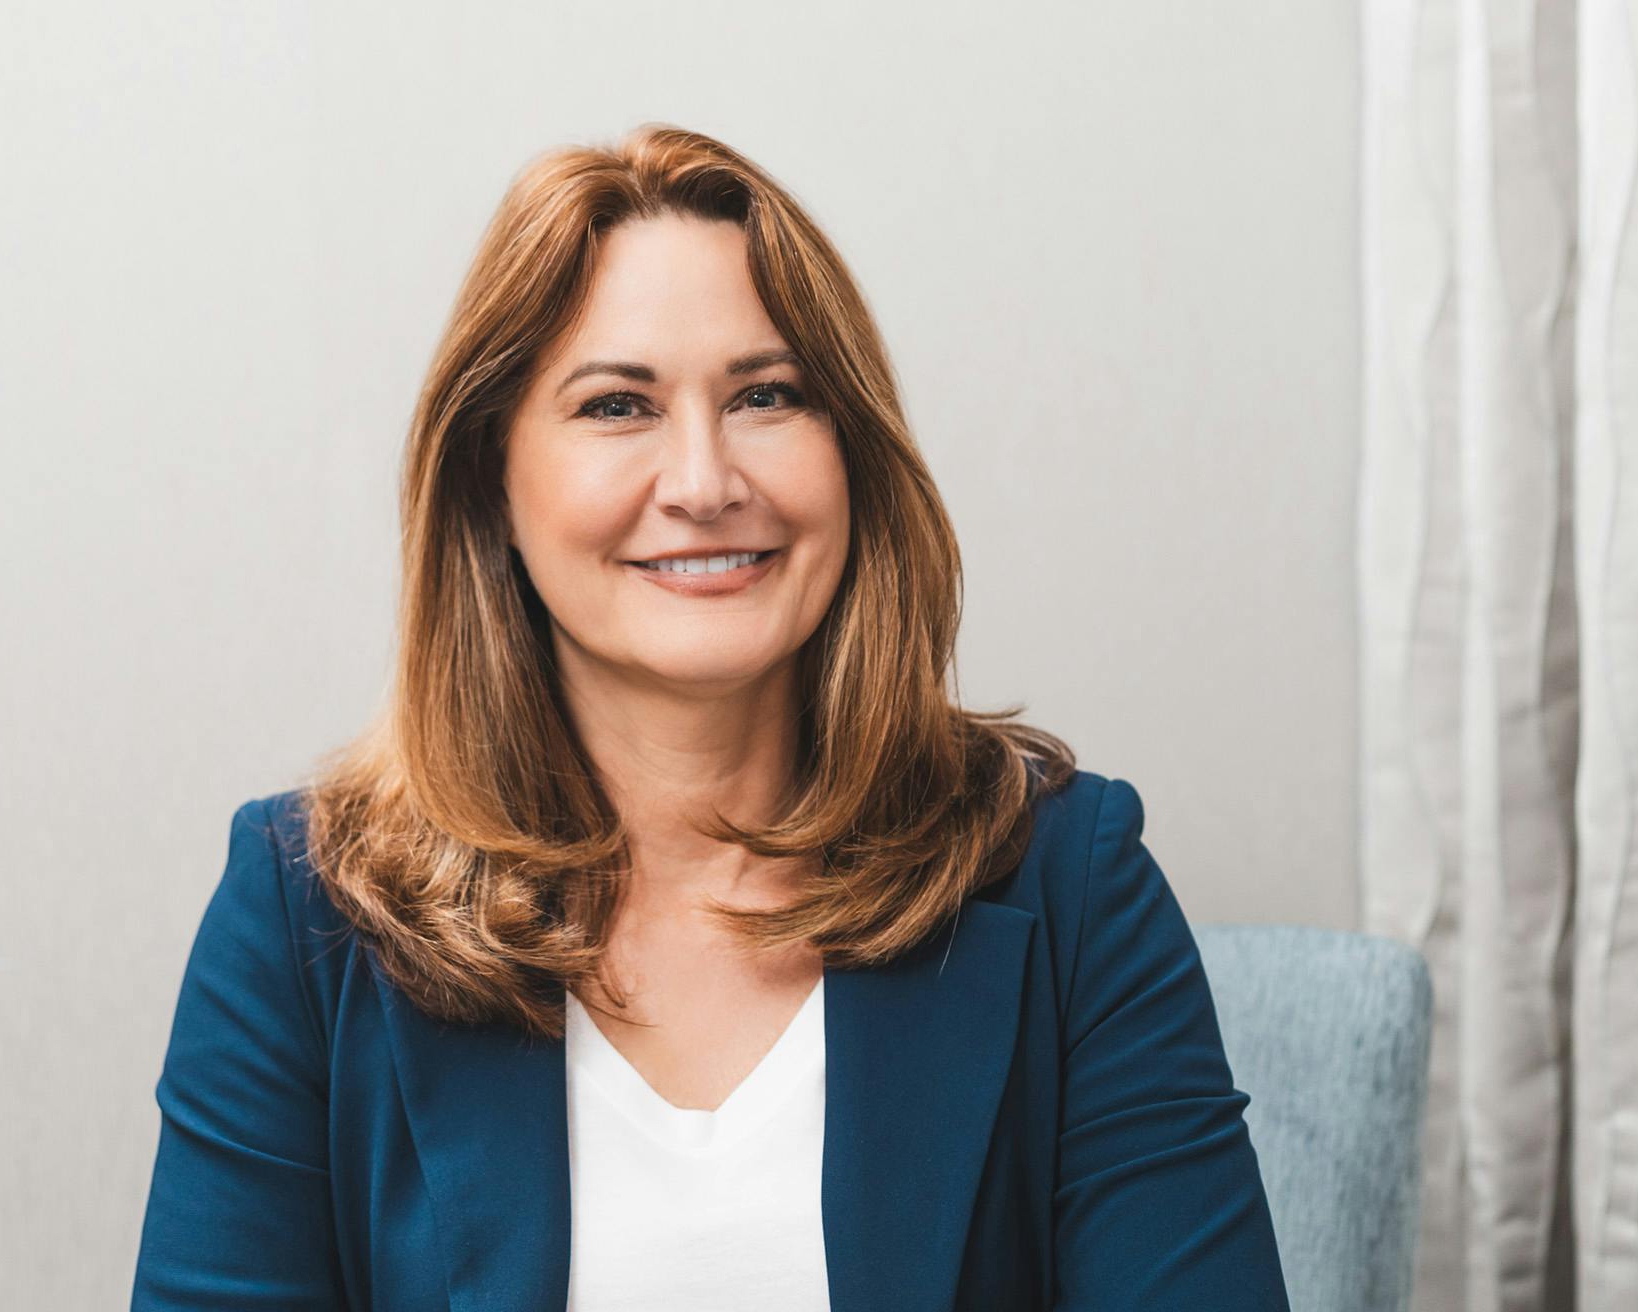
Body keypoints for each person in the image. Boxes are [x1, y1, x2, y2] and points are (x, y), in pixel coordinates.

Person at [131, 123, 1290, 1311]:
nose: (703, 481)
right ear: (493, 482)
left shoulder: (1068, 885)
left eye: (768, 395)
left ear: (853, 454)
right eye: (618, 405)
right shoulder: (303, 919)